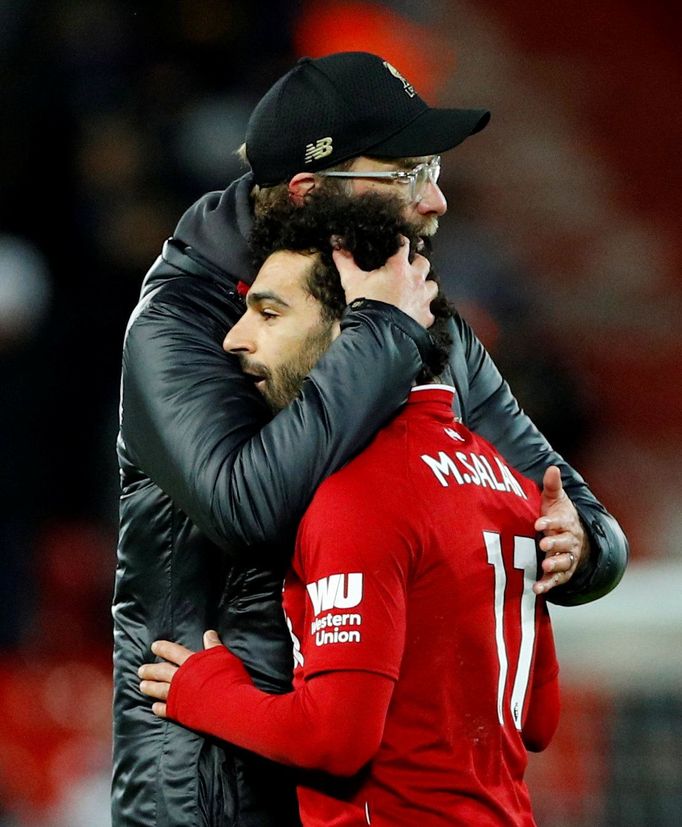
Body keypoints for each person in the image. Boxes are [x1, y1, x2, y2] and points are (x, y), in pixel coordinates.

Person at [113, 51, 627, 826]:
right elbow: (248, 509)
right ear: (310, 193)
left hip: (370, 781)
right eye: (405, 174)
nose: (435, 202)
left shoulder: (417, 313)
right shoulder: (183, 326)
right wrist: (381, 330)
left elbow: (572, 506)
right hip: (215, 775)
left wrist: (580, 546)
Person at [138, 192, 562, 826]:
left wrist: (208, 692)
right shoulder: (504, 480)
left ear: (350, 329)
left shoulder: (358, 495)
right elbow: (536, 718)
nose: (234, 338)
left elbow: (337, 739)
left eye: (270, 314)